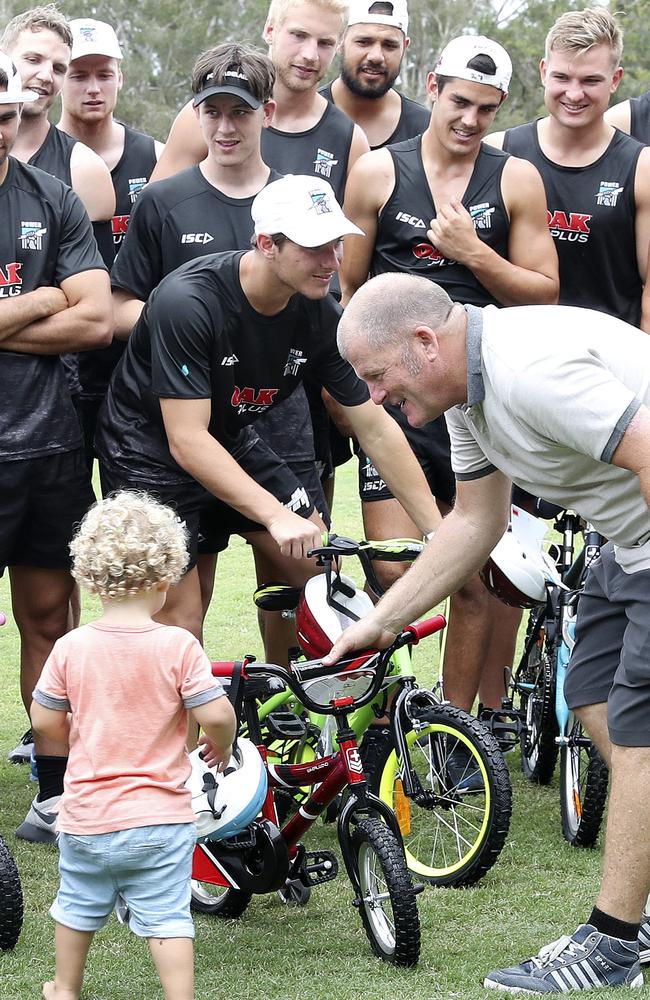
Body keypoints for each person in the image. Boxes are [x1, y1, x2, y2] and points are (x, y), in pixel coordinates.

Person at [327, 271, 650, 993]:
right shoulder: (465, 397)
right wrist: (379, 624)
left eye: (377, 377)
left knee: (640, 734)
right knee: (592, 695)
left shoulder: (528, 370)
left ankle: (616, 940)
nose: (373, 398)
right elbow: (475, 523)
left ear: (423, 343)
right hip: (629, 542)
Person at [94, 174, 440, 651]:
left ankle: (309, 716)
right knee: (180, 617)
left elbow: (375, 428)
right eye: (315, 247)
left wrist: (439, 532)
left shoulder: (321, 312)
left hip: (230, 437)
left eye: (336, 244)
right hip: (148, 453)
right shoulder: (187, 302)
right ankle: (196, 726)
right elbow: (186, 439)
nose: (332, 262)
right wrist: (276, 516)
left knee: (325, 577)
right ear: (266, 244)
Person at [340, 34, 558, 713]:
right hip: (396, 403)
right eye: (460, 101)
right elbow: (345, 293)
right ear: (432, 87)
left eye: (487, 110)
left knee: (474, 581)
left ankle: (454, 733)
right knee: (392, 566)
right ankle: (388, 714)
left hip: (480, 402)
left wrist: (472, 254)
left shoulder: (515, 177)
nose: (470, 120)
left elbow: (544, 292)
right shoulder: (378, 172)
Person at [109, 43, 330, 664]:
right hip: (188, 417)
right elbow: (121, 307)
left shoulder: (303, 200)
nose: (226, 128)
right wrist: (191, 331)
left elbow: (321, 315)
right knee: (185, 598)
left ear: (268, 112)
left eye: (240, 112)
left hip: (278, 416)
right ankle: (199, 737)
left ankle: (289, 724)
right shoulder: (164, 200)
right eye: (213, 112)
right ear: (196, 114)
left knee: (298, 578)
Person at [31, 491, 236, 1000]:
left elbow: (43, 720)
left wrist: (75, 734)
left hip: (87, 817)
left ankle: (65, 987)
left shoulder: (71, 647)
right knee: (167, 916)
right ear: (166, 578)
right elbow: (215, 713)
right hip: (160, 820)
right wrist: (221, 745)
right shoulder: (177, 646)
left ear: (90, 575)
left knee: (76, 907)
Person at [0, 50, 112, 843]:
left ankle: (53, 789)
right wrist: (42, 296)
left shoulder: (55, 198)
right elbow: (66, 308)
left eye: (5, 119)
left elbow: (97, 318)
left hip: (50, 447)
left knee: (49, 619)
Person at [486, 6, 650, 331]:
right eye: (562, 77)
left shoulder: (642, 167)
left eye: (591, 80)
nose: (574, 94)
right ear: (544, 71)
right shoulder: (498, 151)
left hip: (611, 359)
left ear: (615, 80)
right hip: (519, 356)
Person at [58, 17, 162, 466]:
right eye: (79, 75)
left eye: (104, 74)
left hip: (137, 354)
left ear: (120, 76)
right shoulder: (34, 160)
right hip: (64, 355)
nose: (93, 87)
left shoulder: (156, 156)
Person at [320, 0, 430, 149]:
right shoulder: (306, 116)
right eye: (364, 42)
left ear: (404, 47)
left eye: (389, 45)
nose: (376, 56)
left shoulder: (425, 131)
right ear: (341, 41)